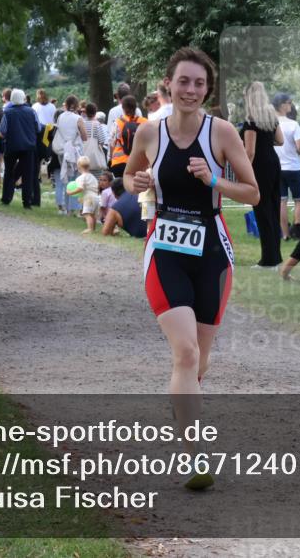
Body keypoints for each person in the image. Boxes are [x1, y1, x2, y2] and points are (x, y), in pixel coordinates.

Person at [124, 47, 259, 489]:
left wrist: (214, 180)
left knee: (197, 361)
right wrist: (136, 181)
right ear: (168, 84)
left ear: (208, 90)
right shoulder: (148, 132)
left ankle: (182, 403)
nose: (190, 90)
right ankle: (193, 456)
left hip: (212, 253)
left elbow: (253, 193)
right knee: (184, 353)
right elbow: (128, 176)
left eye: (199, 84)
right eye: (183, 81)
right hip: (165, 248)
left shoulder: (221, 133)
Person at [241, 81, 284, 268]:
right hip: (274, 163)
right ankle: (276, 256)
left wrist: (244, 172)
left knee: (262, 210)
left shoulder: (251, 120)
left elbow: (249, 152)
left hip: (259, 166)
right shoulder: (271, 116)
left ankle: (268, 259)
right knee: (273, 210)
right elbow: (280, 140)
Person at [273, 92, 300, 240]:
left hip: (278, 168)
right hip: (293, 167)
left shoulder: (271, 123)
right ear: (282, 105)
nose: (291, 105)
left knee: (282, 201)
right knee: (299, 200)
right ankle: (297, 231)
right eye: (289, 102)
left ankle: (285, 234)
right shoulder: (293, 124)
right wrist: (298, 150)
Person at [0, 89, 39, 209]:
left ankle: (6, 198)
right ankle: (27, 202)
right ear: (23, 99)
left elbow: (2, 132)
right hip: (28, 146)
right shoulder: (31, 111)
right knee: (28, 174)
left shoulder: (7, 112)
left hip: (12, 146)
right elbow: (38, 128)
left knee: (9, 172)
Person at [53, 95, 89, 215]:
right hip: (75, 150)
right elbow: (84, 136)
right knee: (76, 179)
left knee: (66, 179)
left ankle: (66, 206)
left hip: (63, 150)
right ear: (76, 105)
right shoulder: (78, 118)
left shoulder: (60, 117)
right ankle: (74, 207)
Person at [109, 95, 147, 178]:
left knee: (120, 189)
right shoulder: (144, 122)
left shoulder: (118, 123)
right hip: (138, 162)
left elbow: (112, 143)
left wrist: (111, 158)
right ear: (136, 107)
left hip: (119, 162)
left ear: (123, 108)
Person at [66, 156, 100, 233]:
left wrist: (70, 192)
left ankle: (89, 228)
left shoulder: (81, 178)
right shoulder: (93, 177)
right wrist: (81, 198)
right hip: (96, 197)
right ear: (89, 166)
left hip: (89, 198)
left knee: (87, 214)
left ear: (78, 166)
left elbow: (80, 188)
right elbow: (96, 188)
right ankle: (93, 229)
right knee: (93, 215)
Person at [81, 101, 109, 173]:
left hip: (83, 155)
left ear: (86, 112)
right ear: (95, 112)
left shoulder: (82, 124)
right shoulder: (97, 124)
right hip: (94, 158)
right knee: (96, 178)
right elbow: (102, 140)